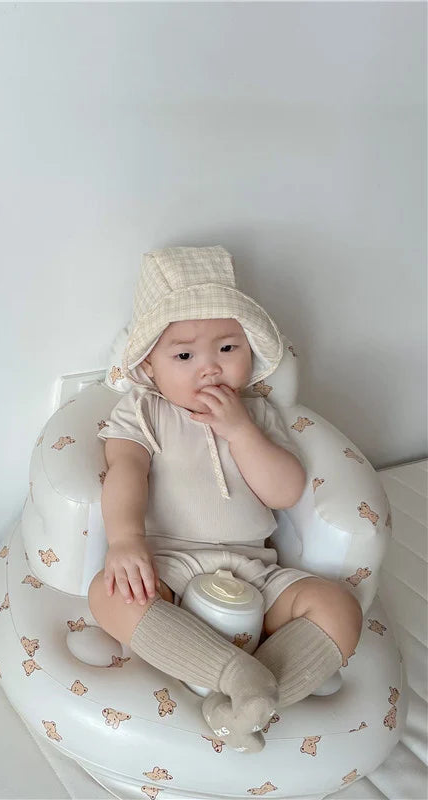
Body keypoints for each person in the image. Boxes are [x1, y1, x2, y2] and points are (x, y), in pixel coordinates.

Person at [88, 245, 362, 753]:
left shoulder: (256, 414)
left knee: (341, 609)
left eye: (227, 349)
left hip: (255, 570)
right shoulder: (143, 412)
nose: (209, 369)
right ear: (150, 365)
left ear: (249, 351)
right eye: (185, 355)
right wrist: (125, 540)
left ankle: (242, 701)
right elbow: (124, 471)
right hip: (170, 566)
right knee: (108, 595)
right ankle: (239, 676)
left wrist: (240, 431)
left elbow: (285, 490)